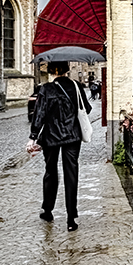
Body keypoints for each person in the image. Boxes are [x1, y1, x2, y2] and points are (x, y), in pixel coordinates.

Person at [27, 61, 92, 232]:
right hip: (72, 136)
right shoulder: (76, 86)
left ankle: (48, 210)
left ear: (51, 71)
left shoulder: (46, 88)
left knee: (50, 172)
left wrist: (33, 137)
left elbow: (39, 114)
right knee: (71, 173)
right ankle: (71, 218)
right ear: (66, 69)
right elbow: (87, 108)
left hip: (51, 136)